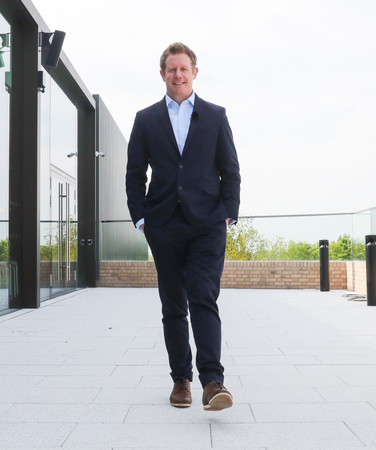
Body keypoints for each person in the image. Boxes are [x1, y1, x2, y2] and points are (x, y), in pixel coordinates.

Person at [125, 42, 241, 411]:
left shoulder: (215, 115)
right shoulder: (146, 119)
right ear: (163, 74)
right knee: (173, 304)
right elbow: (133, 174)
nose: (178, 75)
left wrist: (227, 212)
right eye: (171, 69)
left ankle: (212, 381)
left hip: (207, 223)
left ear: (194, 72)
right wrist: (141, 216)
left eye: (184, 69)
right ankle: (181, 380)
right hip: (163, 224)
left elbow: (231, 170)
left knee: (203, 298)